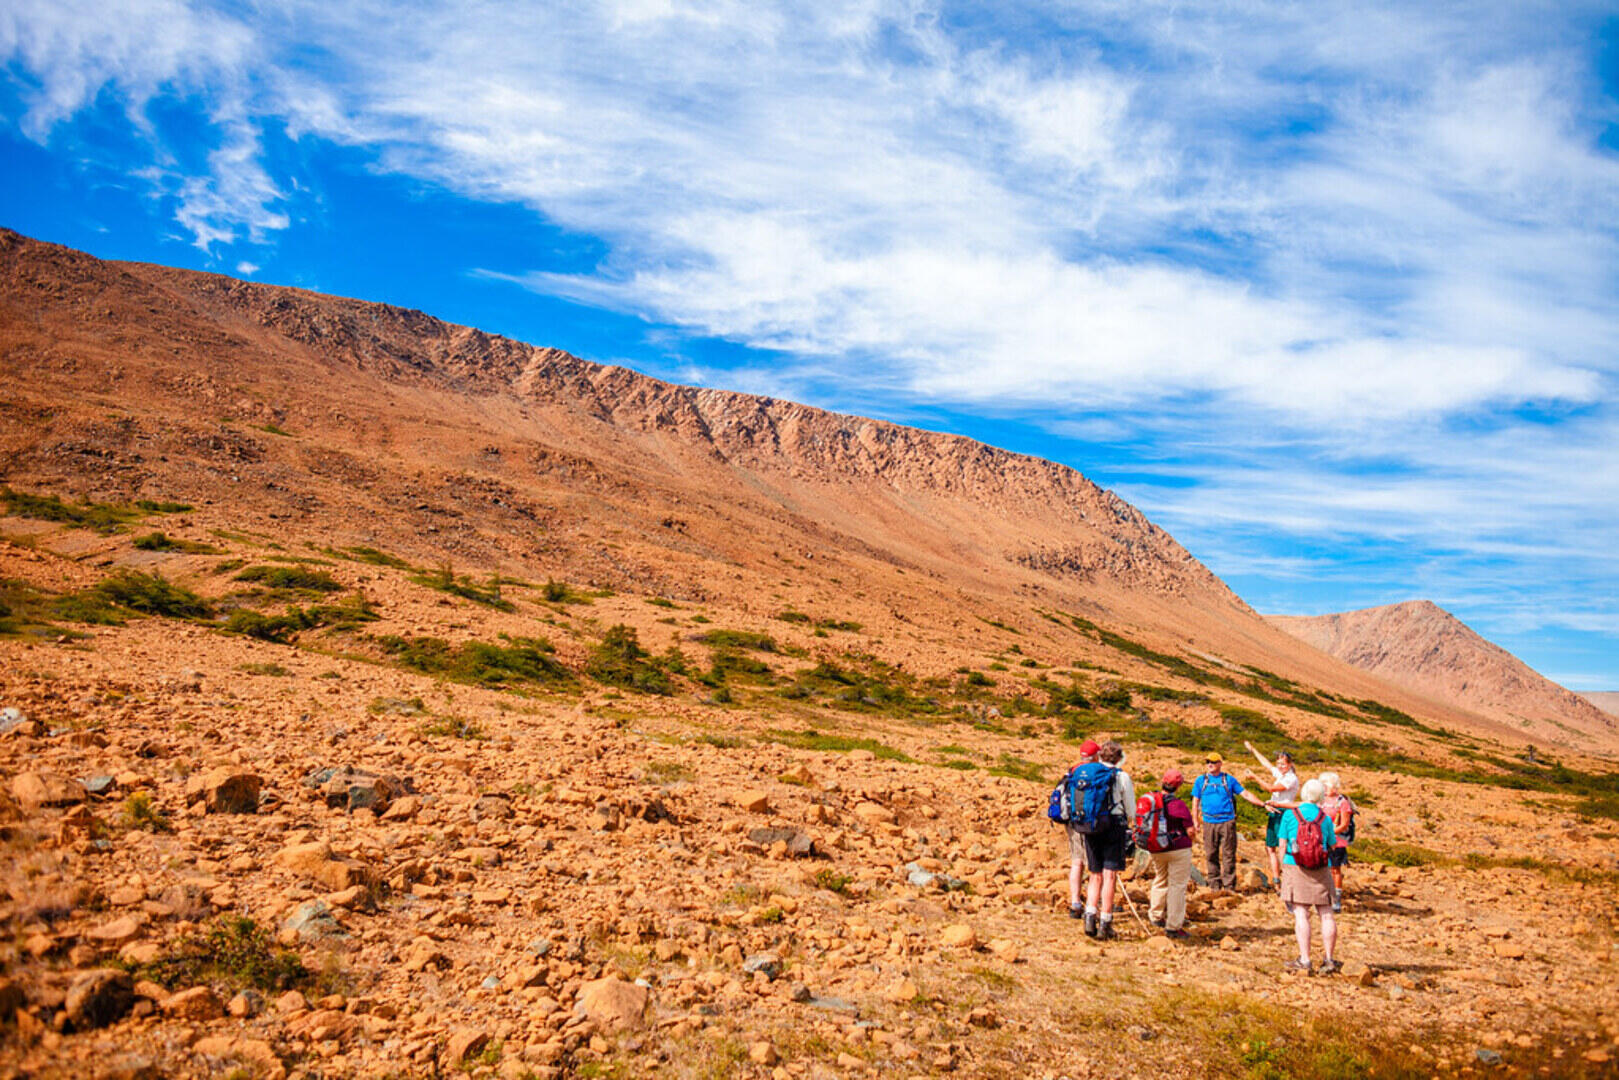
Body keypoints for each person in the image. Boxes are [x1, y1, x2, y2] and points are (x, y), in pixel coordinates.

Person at [1277, 778, 1340, 974]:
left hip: (1295, 865)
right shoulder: (1325, 818)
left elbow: (1282, 844)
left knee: (1301, 913)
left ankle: (1305, 960)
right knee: (1326, 913)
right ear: (1320, 796)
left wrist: (1282, 868)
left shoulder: (1289, 815)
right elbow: (1332, 845)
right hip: (1321, 868)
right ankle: (1329, 959)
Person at [1190, 752, 1270, 892]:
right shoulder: (1200, 781)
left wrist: (1262, 804)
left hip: (1227, 821)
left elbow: (1245, 794)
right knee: (1210, 853)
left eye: (1213, 762)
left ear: (1220, 763)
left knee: (1228, 854)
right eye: (1208, 761)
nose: (1210, 764)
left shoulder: (1229, 780)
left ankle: (1229, 886)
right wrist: (1195, 820)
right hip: (1209, 822)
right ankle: (1214, 884)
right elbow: (1195, 801)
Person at [1142, 768, 1195, 940]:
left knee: (1160, 879)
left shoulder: (1153, 801)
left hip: (1157, 848)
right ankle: (1173, 926)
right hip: (1178, 849)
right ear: (1178, 786)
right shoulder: (1179, 805)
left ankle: (1155, 915)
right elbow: (1190, 830)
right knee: (1177, 886)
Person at [1244, 741, 1300, 891]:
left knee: (1283, 846)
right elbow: (1267, 765)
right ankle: (1276, 879)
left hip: (1284, 812)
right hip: (1274, 812)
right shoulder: (1281, 774)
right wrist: (1253, 750)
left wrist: (1254, 777)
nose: (1280, 766)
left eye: (1283, 764)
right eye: (1279, 763)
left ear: (1289, 764)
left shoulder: (1290, 778)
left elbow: (1271, 787)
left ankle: (1287, 877)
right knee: (1270, 847)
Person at [1318, 771, 1355, 913]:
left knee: (1335, 868)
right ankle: (1324, 896)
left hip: (1336, 841)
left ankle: (1336, 898)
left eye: (1326, 785)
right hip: (1321, 840)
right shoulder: (1320, 800)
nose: (1325, 788)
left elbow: (1344, 824)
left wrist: (1330, 833)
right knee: (1322, 868)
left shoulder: (1342, 802)